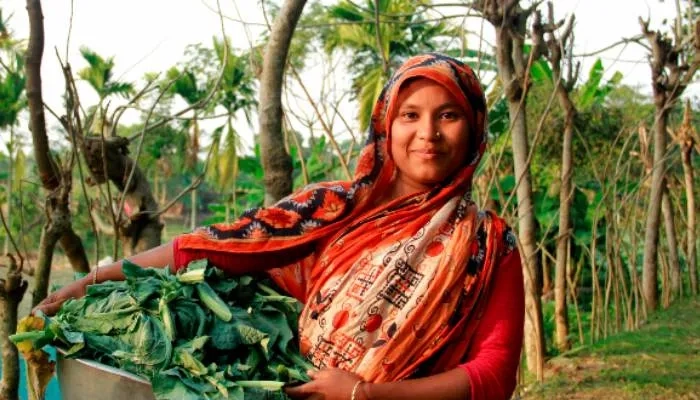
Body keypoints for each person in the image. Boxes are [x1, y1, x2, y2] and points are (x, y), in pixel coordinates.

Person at [35, 53, 524, 400]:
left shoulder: (489, 245)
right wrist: (95, 278)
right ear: (386, 127)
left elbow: (493, 375)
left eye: (449, 115)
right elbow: (216, 249)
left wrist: (368, 394)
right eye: (410, 115)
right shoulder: (335, 208)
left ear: (474, 128)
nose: (428, 134)